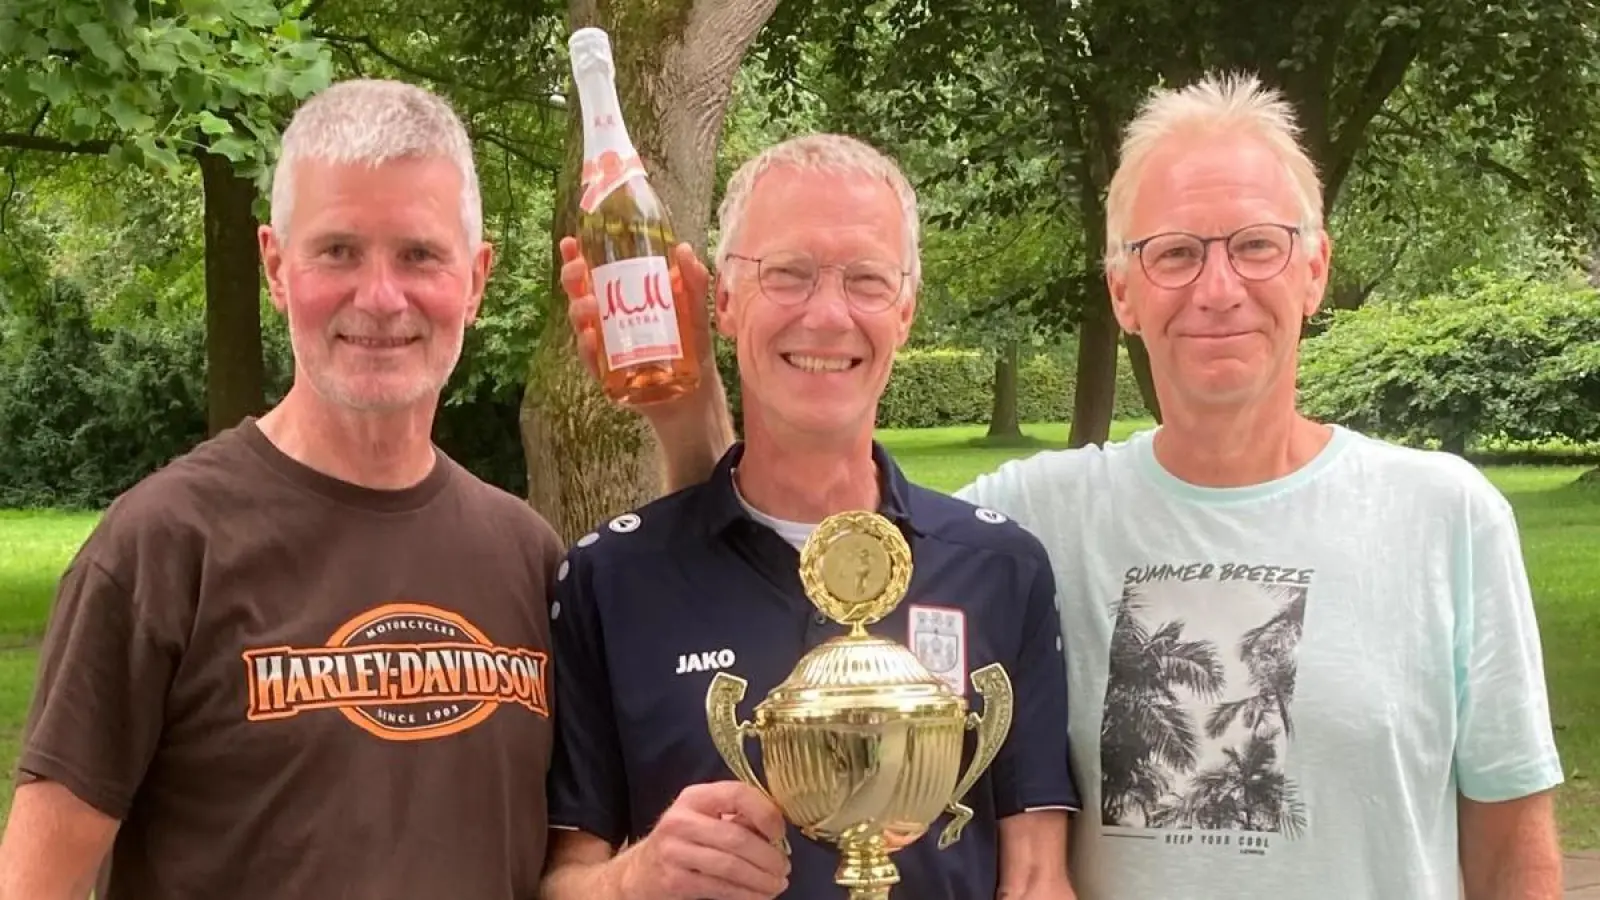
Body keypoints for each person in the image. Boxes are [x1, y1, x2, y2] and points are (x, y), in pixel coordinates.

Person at [561, 76, 1568, 900]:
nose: (1218, 288)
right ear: (1122, 289)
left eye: (1258, 245)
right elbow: (795, 536)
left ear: (1315, 270)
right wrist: (684, 413)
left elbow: (1514, 848)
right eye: (1174, 254)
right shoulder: (1039, 523)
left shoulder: (1444, 516)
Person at [0, 79, 565, 900]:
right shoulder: (163, 548)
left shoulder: (528, 558)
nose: (380, 298)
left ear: (476, 280)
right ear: (275, 266)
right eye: (338, 251)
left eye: (419, 255)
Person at [538, 133, 1080, 900]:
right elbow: (563, 880)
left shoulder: (1001, 570)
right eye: (787, 274)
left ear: (906, 310)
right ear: (724, 301)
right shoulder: (611, 578)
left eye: (866, 279)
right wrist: (637, 879)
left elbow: (1037, 879)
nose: (827, 315)